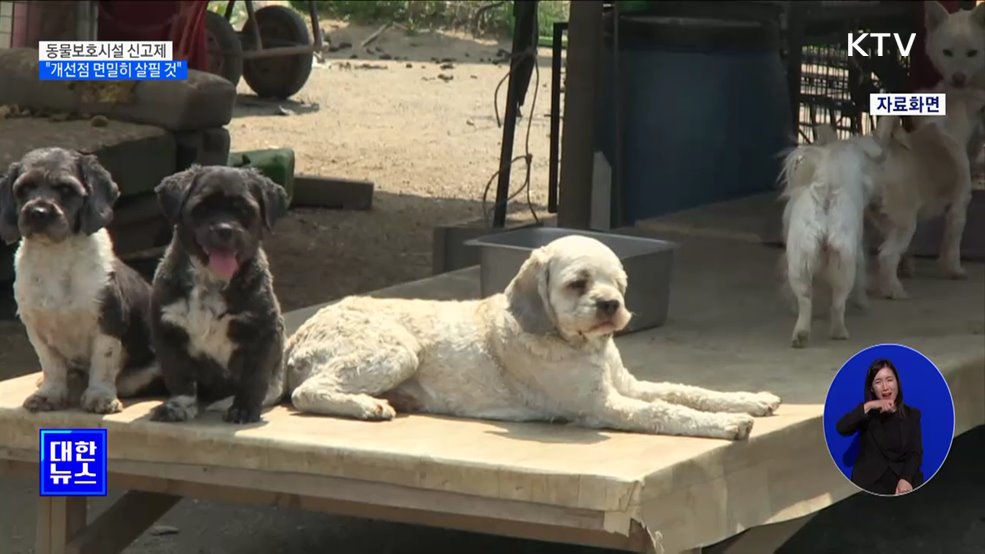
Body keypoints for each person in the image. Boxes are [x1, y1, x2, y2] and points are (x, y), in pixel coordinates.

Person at [836, 358, 924, 495]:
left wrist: (906, 479)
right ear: (872, 388)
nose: (885, 387)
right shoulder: (867, 415)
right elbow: (841, 428)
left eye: (889, 380)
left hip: (902, 478)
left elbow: (915, 452)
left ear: (897, 383)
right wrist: (870, 405)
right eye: (878, 382)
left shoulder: (912, 415)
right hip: (870, 482)